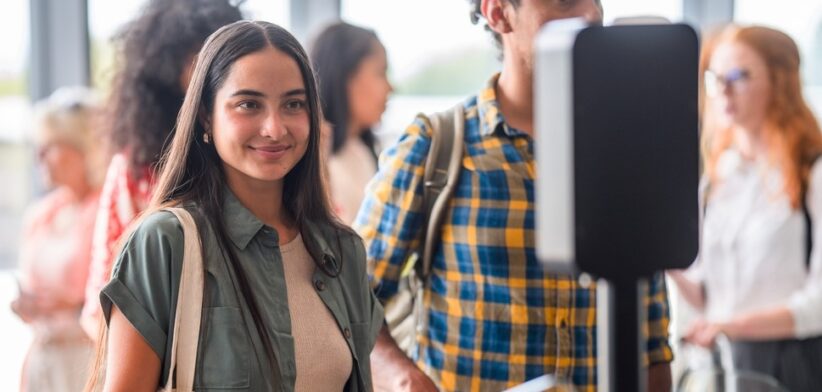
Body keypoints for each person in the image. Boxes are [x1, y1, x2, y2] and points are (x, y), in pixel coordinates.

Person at [353, 0, 674, 391]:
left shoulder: (626, 151)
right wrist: (403, 376)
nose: (591, 13)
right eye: (566, 1)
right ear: (498, 12)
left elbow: (652, 340)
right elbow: (351, 298)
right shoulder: (436, 146)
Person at [88, 20, 383, 392]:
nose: (274, 128)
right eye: (248, 104)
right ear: (206, 117)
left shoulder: (342, 250)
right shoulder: (165, 242)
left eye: (293, 104)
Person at [668, 25, 822, 392]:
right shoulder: (719, 178)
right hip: (720, 367)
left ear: (779, 82)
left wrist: (731, 325)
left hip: (790, 367)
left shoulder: (812, 172)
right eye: (715, 77)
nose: (723, 88)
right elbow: (709, 295)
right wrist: (660, 257)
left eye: (738, 75)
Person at [80, 0, 243, 338]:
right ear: (169, 70)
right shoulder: (136, 169)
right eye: (199, 59)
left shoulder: (260, 152)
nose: (214, 72)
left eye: (226, 57)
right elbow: (104, 296)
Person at [12, 87, 103, 392]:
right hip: (43, 359)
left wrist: (75, 306)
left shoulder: (107, 211)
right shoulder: (41, 214)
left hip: (87, 360)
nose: (39, 156)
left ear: (83, 149)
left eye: (50, 146)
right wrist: (25, 306)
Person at [309, 21, 393, 224]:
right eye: (380, 72)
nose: (390, 87)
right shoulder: (312, 160)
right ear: (345, 76)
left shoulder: (364, 152)